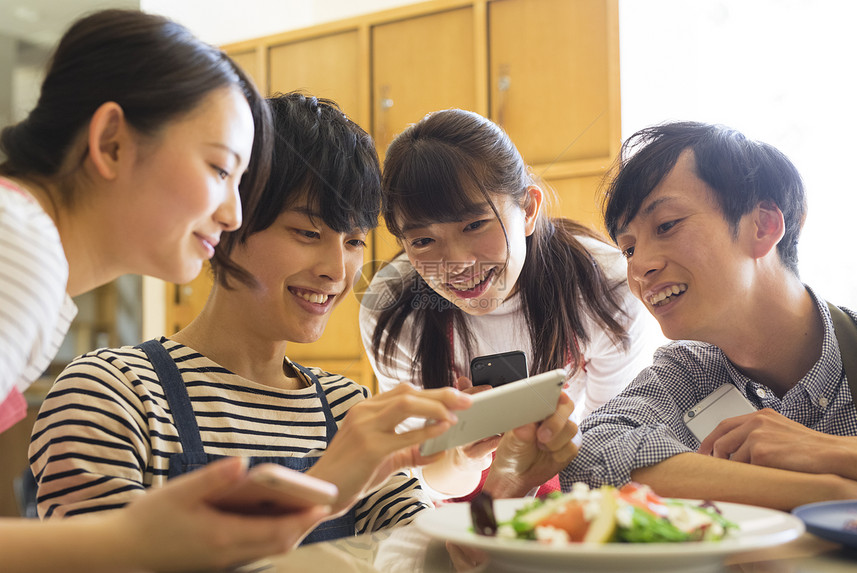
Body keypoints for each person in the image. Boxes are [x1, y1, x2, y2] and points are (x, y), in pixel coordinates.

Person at [28, 93, 473, 539]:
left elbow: (423, 553)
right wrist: (322, 487)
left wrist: (512, 474)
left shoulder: (346, 409)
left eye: (354, 242)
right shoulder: (115, 394)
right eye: (307, 232)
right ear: (226, 222)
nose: (337, 271)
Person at [0, 9, 336, 572]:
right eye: (219, 169)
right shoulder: (19, 245)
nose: (233, 214)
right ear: (111, 142)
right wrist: (131, 540)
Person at [359, 109, 661, 498]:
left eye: (474, 225)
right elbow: (420, 478)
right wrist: (462, 456)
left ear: (529, 209)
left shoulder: (605, 289)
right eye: (422, 241)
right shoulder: (392, 311)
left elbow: (611, 447)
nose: (458, 264)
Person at [563, 121, 857, 510]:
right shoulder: (687, 371)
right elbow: (589, 455)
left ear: (763, 225)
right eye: (629, 249)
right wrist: (833, 494)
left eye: (666, 225)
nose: (640, 269)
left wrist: (832, 452)